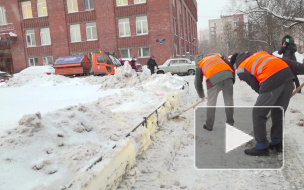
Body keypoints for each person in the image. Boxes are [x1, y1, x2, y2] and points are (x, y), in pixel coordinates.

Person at [230, 51, 297, 156]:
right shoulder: (258, 54)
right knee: (278, 111)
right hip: (288, 77)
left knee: (258, 112)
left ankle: (261, 146)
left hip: (272, 79)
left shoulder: (241, 67)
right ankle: (276, 143)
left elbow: (256, 86)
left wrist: (266, 99)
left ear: (235, 63)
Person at [194, 53, 235, 131]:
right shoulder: (216, 57)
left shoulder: (200, 64)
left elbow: (197, 83)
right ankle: (230, 123)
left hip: (213, 78)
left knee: (211, 103)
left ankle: (209, 126)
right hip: (228, 75)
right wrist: (231, 80)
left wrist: (201, 95)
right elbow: (230, 65)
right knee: (228, 101)